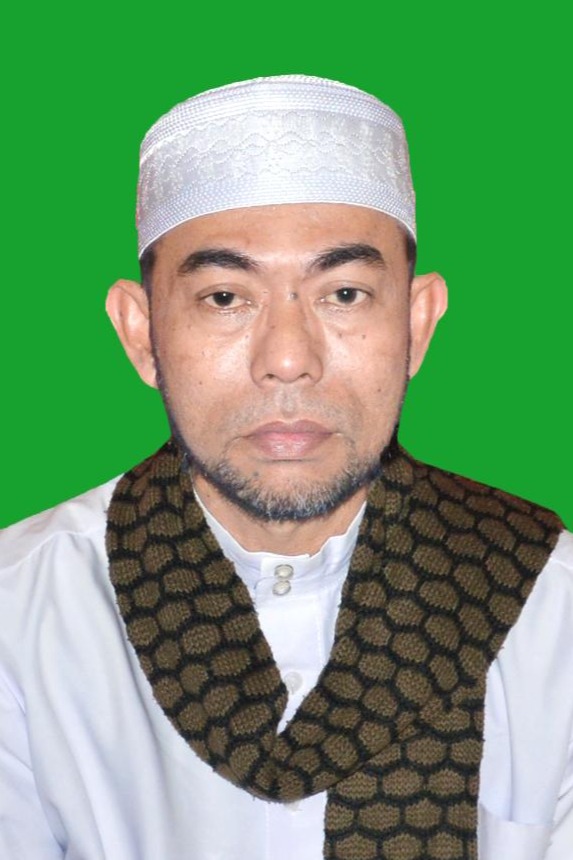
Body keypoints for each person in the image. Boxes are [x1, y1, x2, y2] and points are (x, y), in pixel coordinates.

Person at [0, 75, 571, 860]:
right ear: (140, 333)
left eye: (344, 293)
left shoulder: (553, 606)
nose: (288, 359)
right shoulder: (19, 616)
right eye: (224, 298)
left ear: (416, 322)